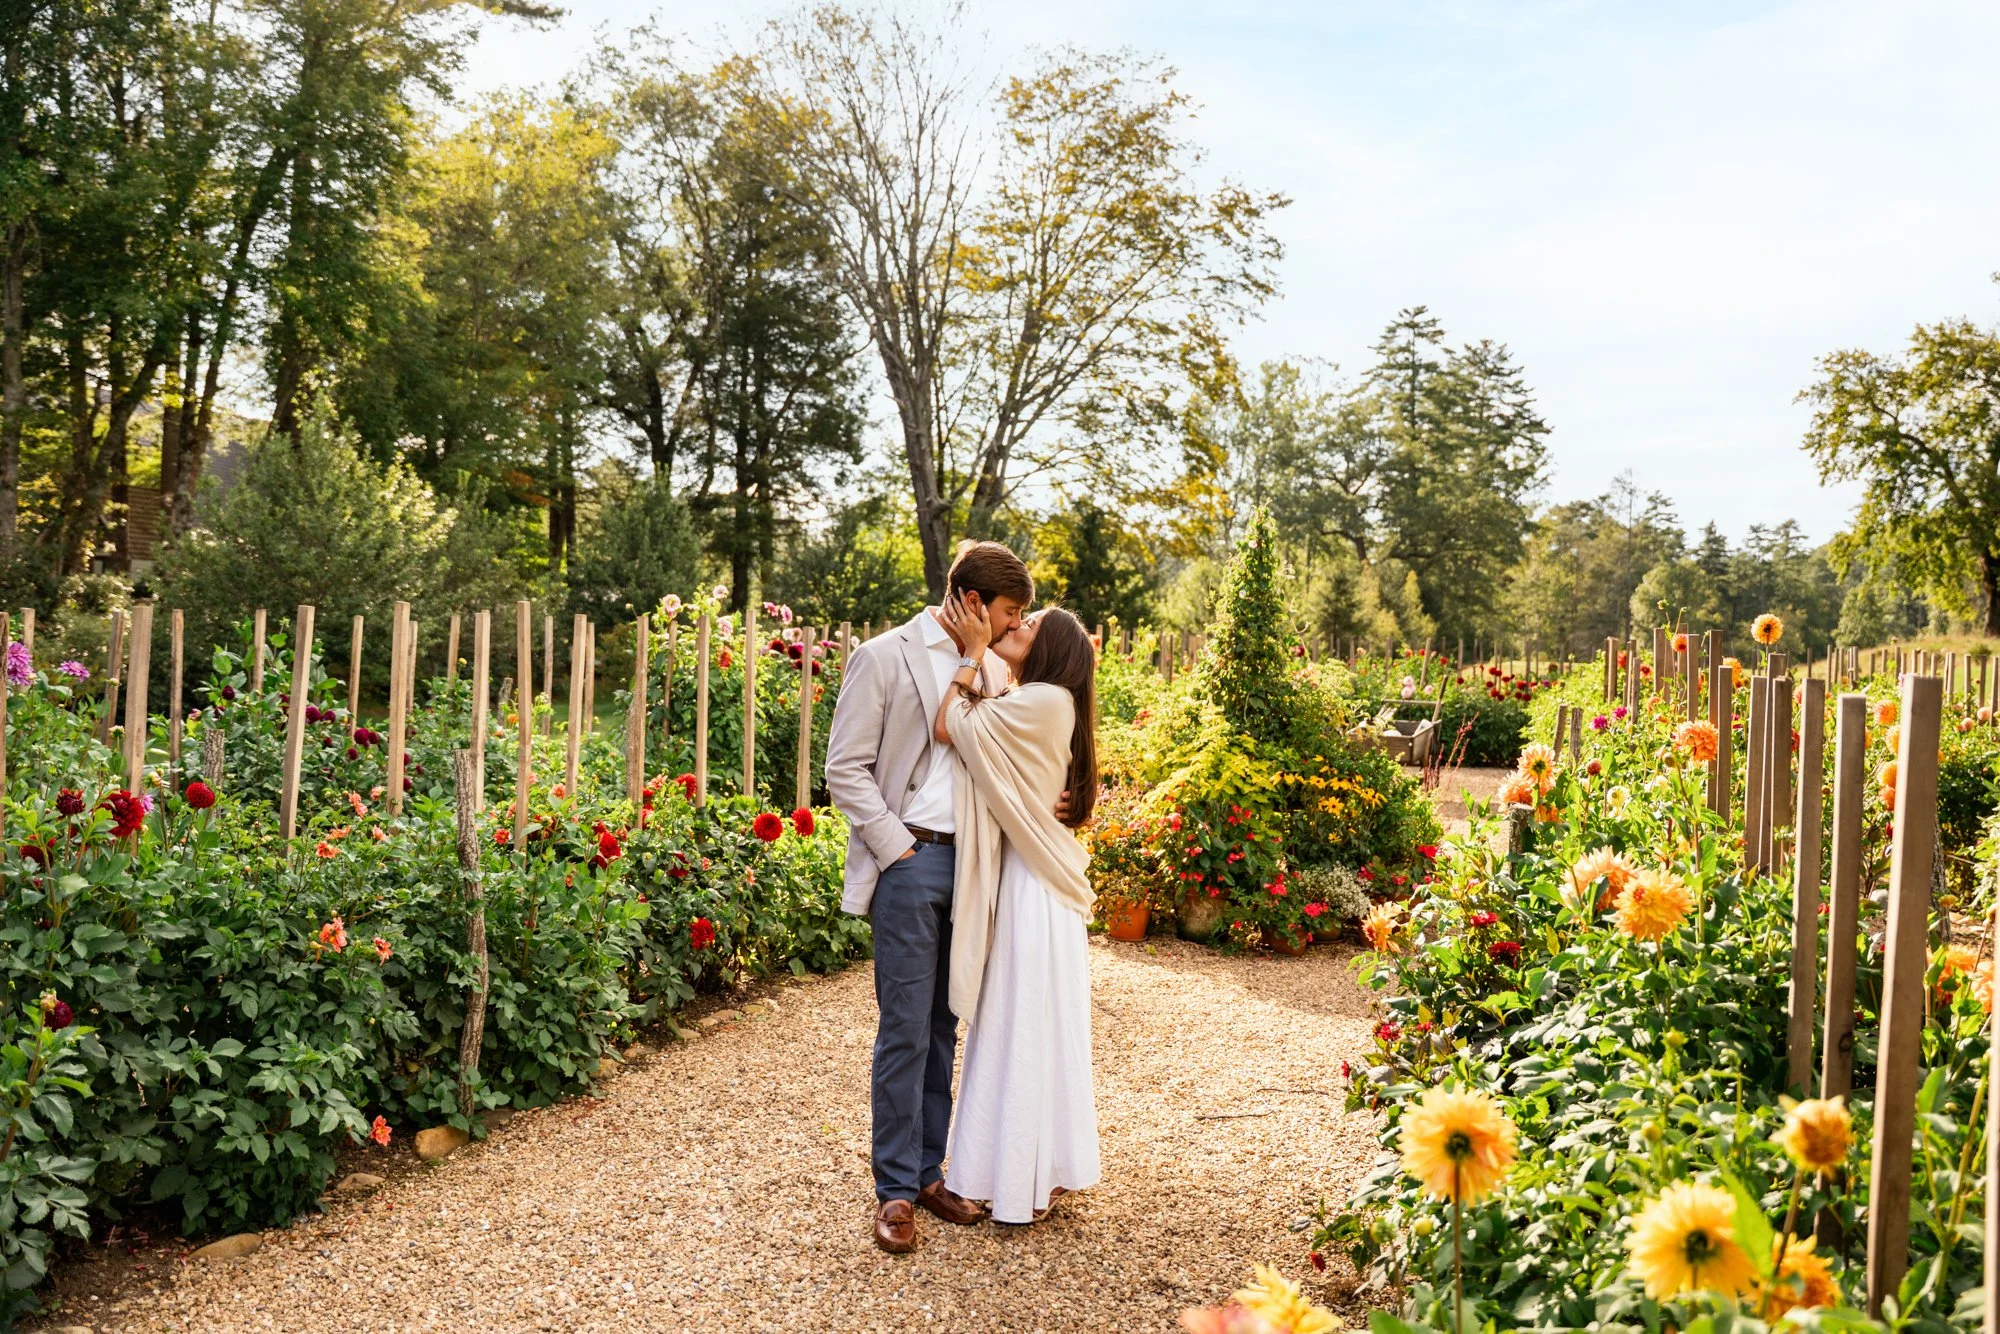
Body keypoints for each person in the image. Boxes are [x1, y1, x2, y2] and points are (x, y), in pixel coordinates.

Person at [823, 541, 1033, 1254]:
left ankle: (929, 1173)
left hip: (974, 866)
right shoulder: (885, 656)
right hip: (909, 861)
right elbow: (845, 768)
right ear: (973, 601)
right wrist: (897, 849)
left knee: (948, 1025)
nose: (1014, 626)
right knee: (906, 1029)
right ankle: (893, 1190)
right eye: (1009, 612)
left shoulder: (995, 670)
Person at [932, 599, 1101, 1226]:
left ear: (1048, 648)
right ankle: (1028, 1169)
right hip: (1032, 880)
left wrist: (971, 653)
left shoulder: (1045, 700)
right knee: (1028, 1020)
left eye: (1030, 625)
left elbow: (950, 724)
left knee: (1022, 1019)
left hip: (1033, 886)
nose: (1016, 625)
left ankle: (1022, 1176)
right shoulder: (1040, 700)